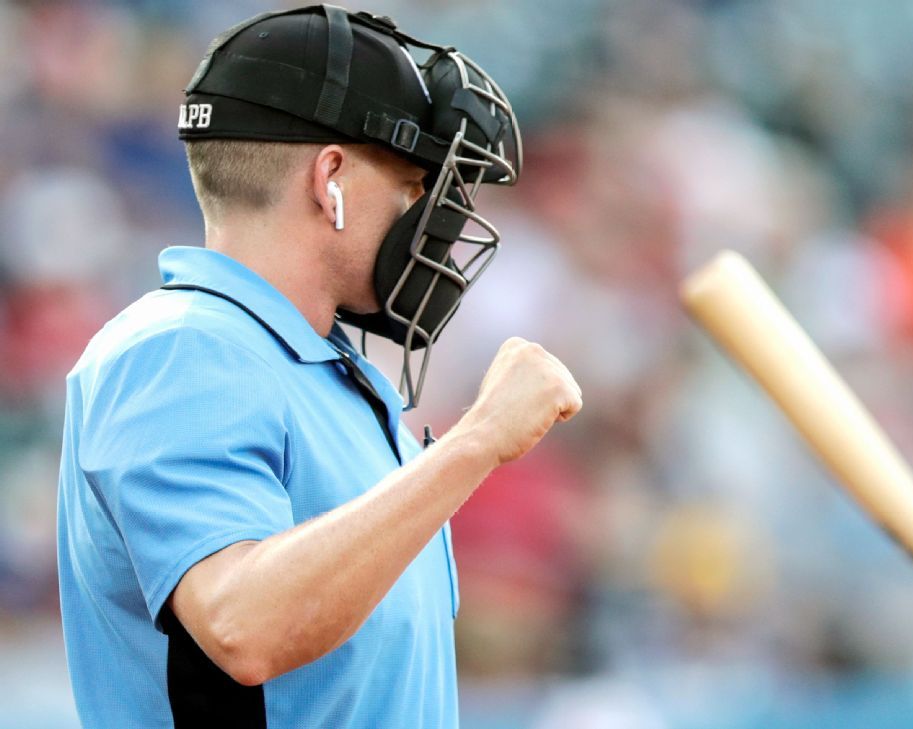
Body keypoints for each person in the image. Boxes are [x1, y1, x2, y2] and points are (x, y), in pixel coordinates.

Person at [56, 6, 582, 728]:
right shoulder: (180, 348)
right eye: (412, 182)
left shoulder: (329, 371)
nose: (431, 212)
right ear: (329, 177)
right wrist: (475, 441)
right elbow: (244, 624)